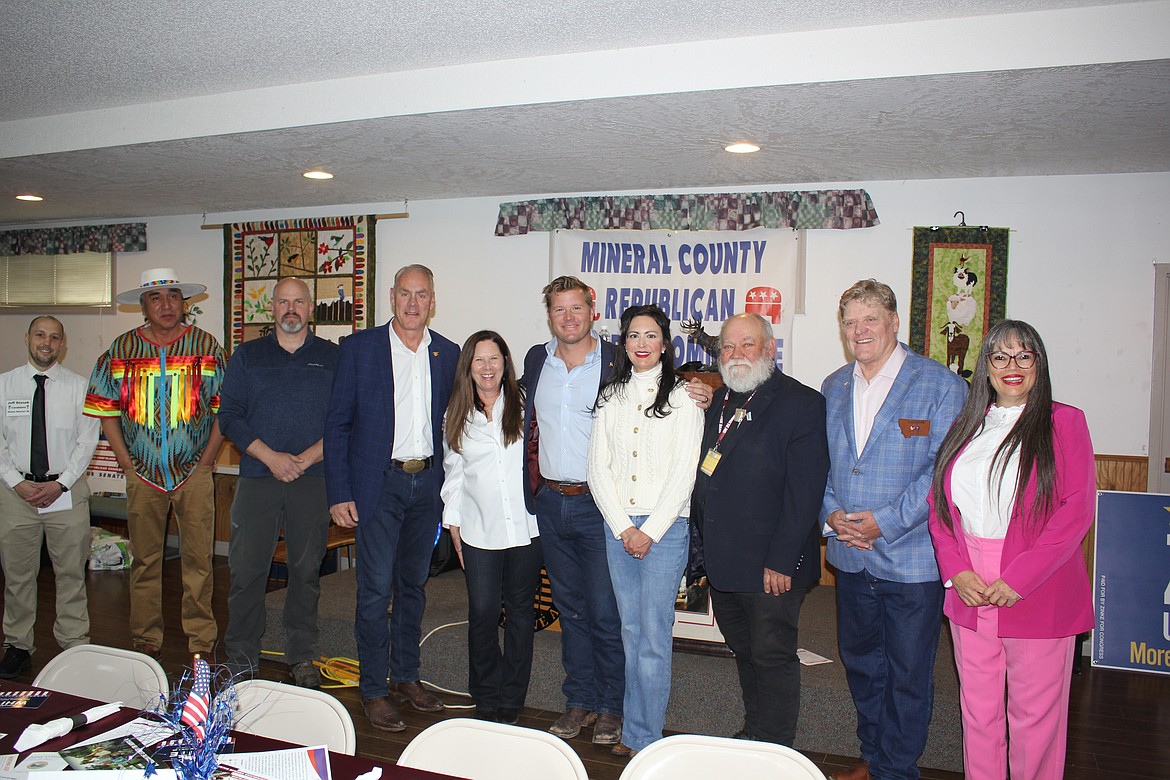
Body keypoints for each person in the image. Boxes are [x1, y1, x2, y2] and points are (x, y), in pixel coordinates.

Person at [928, 320, 1094, 780]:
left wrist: (1018, 579)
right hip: (970, 588)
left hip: (1038, 585)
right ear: (985, 368)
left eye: (1024, 356)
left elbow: (1075, 510)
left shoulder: (1065, 421)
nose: (1012, 366)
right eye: (1000, 357)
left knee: (1035, 718)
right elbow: (939, 505)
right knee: (978, 713)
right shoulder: (967, 424)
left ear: (1039, 364)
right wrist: (956, 570)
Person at [820, 279, 967, 780]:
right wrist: (833, 517)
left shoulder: (940, 385)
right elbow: (824, 465)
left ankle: (897, 770)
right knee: (860, 662)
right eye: (850, 322)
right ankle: (874, 752)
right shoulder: (833, 386)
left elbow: (942, 471)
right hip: (849, 553)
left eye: (870, 319)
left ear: (894, 322)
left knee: (907, 672)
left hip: (910, 556)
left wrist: (884, 523)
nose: (860, 330)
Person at [324, 263, 459, 731]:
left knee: (413, 588)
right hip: (377, 485)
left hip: (428, 487)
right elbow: (337, 424)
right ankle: (374, 689)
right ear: (391, 296)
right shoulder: (360, 349)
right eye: (405, 293)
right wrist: (339, 491)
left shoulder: (448, 353)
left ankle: (406, 677)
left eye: (422, 295)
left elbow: (456, 425)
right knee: (374, 589)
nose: (413, 303)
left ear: (432, 300)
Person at [691, 312, 829, 746]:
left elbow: (804, 494)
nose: (736, 355)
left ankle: (774, 749)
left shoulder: (801, 403)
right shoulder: (720, 401)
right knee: (745, 652)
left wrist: (781, 560)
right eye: (727, 347)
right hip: (725, 562)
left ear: (769, 349)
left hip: (772, 567)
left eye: (747, 344)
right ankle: (756, 731)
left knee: (771, 656)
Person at [85, 268, 225, 658]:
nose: (166, 306)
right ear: (143, 306)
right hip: (142, 474)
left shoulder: (206, 345)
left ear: (185, 302)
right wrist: (127, 464)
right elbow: (104, 408)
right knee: (145, 560)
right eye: (156, 298)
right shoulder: (121, 349)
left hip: (194, 472)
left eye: (173, 297)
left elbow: (224, 409)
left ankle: (201, 639)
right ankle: (146, 638)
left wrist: (207, 461)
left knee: (199, 561)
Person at [587, 304, 703, 757]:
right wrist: (622, 527)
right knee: (630, 632)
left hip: (666, 528)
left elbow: (684, 472)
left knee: (654, 635)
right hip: (618, 528)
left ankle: (644, 737)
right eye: (633, 335)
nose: (641, 344)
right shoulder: (609, 396)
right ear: (624, 342)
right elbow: (598, 468)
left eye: (650, 335)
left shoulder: (683, 397)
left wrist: (649, 531)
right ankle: (636, 727)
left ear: (665, 343)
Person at [218, 277, 339, 688]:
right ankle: (241, 656)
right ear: (271, 308)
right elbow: (230, 417)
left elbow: (344, 420)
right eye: (283, 302)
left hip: (313, 477)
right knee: (247, 570)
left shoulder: (334, 357)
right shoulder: (247, 357)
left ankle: (301, 655)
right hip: (258, 477)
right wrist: (271, 458)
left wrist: (303, 460)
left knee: (306, 571)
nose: (291, 309)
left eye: (299, 302)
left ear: (311, 308)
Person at [521, 275, 625, 744]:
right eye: (559, 310)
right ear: (550, 316)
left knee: (604, 610)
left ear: (592, 311)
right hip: (550, 503)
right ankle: (579, 701)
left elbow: (657, 391)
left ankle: (611, 707)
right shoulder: (534, 360)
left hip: (599, 505)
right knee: (571, 610)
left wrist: (695, 392)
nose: (568, 318)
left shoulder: (616, 359)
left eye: (576, 309)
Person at [441, 331, 541, 725]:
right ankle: (484, 694)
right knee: (482, 612)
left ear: (505, 362)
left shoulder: (525, 403)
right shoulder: (455, 414)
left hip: (525, 528)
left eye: (494, 358)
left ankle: (512, 697)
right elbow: (453, 473)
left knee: (519, 614)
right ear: (468, 366)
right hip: (478, 529)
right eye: (479, 360)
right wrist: (453, 523)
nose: (487, 367)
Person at [0, 317, 100, 678]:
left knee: (71, 572)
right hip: (16, 494)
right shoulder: (4, 385)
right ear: (27, 338)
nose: (47, 342)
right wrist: (16, 482)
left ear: (63, 344)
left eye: (54, 337)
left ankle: (74, 643)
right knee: (18, 575)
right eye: (40, 335)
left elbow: (86, 441)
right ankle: (17, 644)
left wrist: (61, 483)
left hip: (65, 492)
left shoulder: (78, 387)